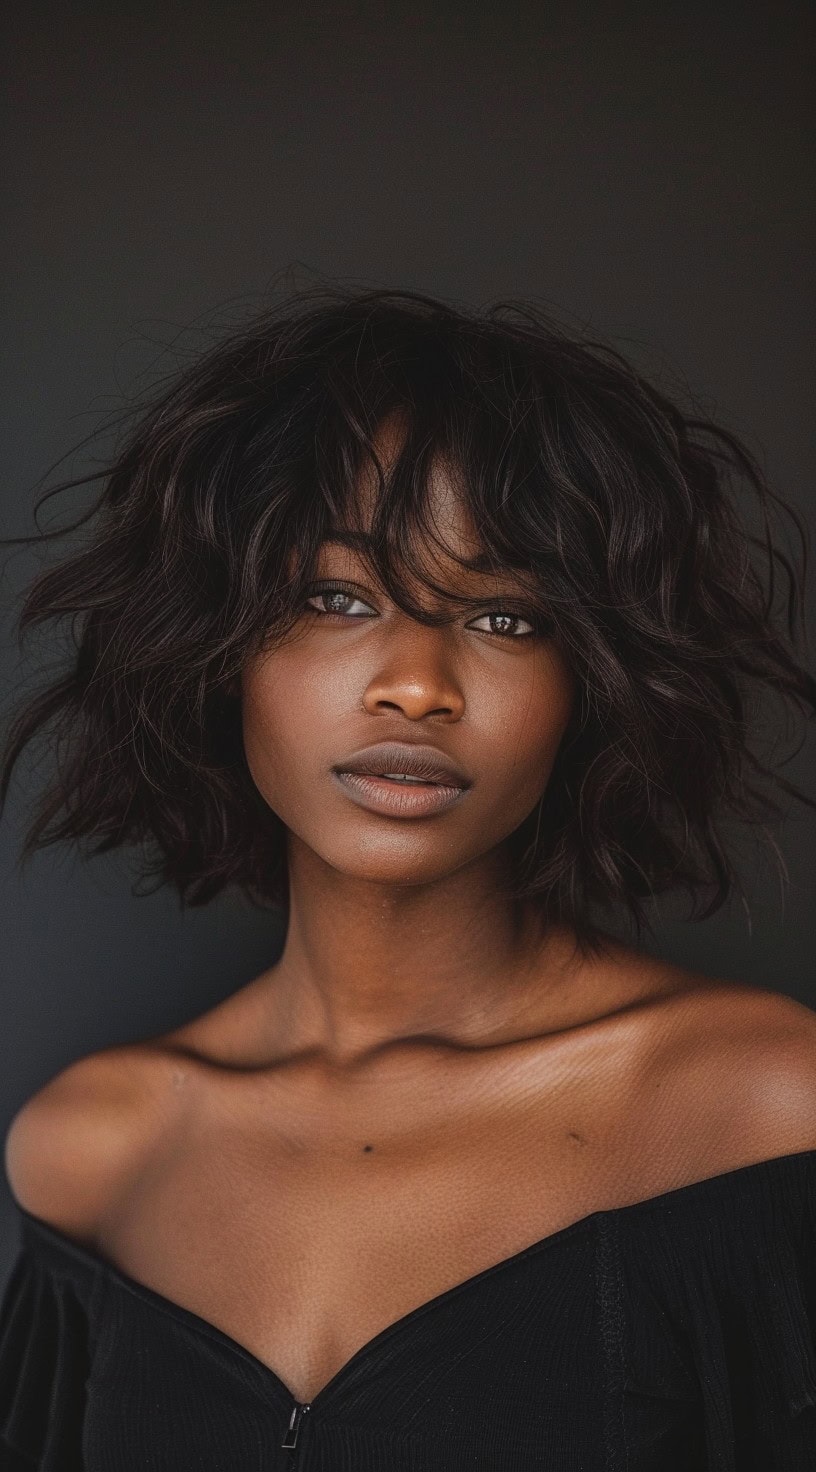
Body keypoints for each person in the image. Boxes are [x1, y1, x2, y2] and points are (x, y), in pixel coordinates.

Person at [1, 284, 815, 1470]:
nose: (417, 683)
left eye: (505, 619)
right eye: (337, 597)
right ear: (217, 648)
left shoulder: (764, 1106)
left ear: (593, 685)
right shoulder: (96, 1149)